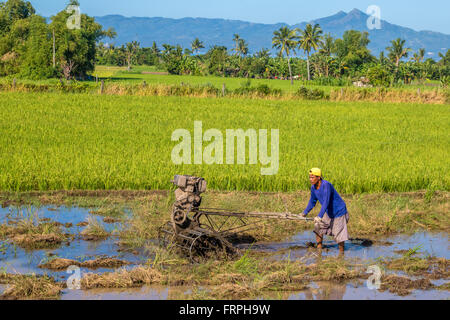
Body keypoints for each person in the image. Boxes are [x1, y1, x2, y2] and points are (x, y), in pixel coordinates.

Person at [302, 168, 349, 255]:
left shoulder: (326, 185)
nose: (310, 179)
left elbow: (326, 201)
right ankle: (319, 248)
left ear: (319, 177)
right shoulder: (313, 187)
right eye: (310, 177)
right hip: (328, 211)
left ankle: (341, 253)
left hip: (338, 211)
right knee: (318, 226)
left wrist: (319, 216)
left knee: (339, 234)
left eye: (313, 177)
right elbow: (312, 201)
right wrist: (304, 212)